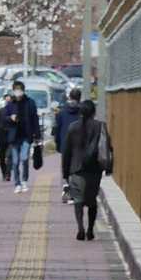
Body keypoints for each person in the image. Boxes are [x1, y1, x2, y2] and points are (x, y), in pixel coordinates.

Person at [61, 99, 112, 240]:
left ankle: (80, 228)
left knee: (78, 200)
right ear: (93, 112)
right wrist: (108, 166)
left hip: (76, 169)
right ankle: (90, 230)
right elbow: (107, 147)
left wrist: (65, 172)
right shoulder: (100, 126)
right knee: (92, 200)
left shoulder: (73, 127)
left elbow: (67, 152)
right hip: (94, 170)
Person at [0, 79, 41, 194]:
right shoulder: (10, 104)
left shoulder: (30, 103)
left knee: (25, 158)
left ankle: (24, 181)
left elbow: (35, 119)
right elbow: (3, 118)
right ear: (13, 91)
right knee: (15, 161)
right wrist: (10, 118)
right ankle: (17, 183)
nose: (18, 92)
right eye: (16, 90)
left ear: (23, 91)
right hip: (14, 136)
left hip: (26, 135)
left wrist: (37, 135)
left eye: (20, 90)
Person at [52, 86, 83, 202]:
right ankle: (74, 192)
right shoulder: (82, 112)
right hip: (79, 144)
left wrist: (58, 144)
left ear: (69, 97)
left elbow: (57, 129)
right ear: (79, 98)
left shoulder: (62, 111)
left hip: (65, 143)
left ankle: (66, 187)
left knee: (65, 167)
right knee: (77, 168)